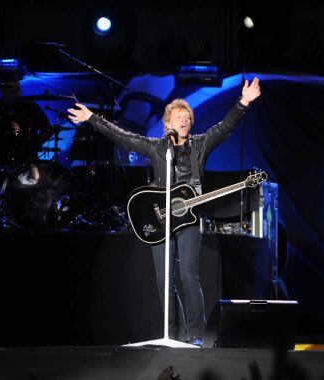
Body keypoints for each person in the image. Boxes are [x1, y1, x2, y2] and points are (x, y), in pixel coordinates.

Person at [67, 77, 261, 345]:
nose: (184, 120)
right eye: (179, 117)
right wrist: (92, 118)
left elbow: (226, 127)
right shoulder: (157, 148)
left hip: (189, 219)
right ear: (167, 124)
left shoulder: (200, 145)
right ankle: (173, 334)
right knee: (163, 279)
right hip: (160, 220)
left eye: (187, 117)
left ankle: (195, 333)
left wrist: (243, 103)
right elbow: (123, 138)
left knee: (188, 274)